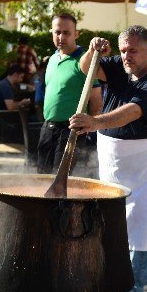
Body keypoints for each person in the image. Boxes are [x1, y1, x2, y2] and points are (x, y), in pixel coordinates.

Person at [70, 25, 147, 292]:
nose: (126, 56)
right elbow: (85, 69)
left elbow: (132, 112)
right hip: (113, 154)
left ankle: (135, 286)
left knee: (142, 218)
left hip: (145, 156)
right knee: (115, 216)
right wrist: (92, 50)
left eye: (133, 51)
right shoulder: (118, 65)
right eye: (123, 50)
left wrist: (95, 122)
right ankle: (141, 274)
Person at [37, 13, 102, 174]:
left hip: (71, 129)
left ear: (76, 34)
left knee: (60, 181)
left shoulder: (83, 62)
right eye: (57, 32)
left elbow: (96, 101)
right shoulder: (52, 59)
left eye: (66, 33)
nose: (61, 37)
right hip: (47, 127)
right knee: (40, 178)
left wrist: (88, 127)